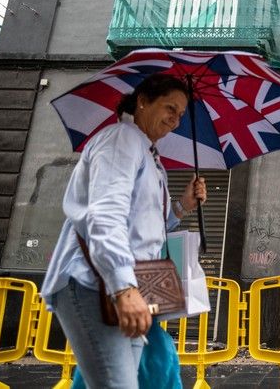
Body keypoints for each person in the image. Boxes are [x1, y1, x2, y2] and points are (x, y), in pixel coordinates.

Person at [41, 73, 207, 388]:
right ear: (142, 101)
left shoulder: (148, 155)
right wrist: (124, 290)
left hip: (129, 283)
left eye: (181, 115)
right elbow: (104, 216)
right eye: (170, 108)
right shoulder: (122, 140)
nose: (175, 120)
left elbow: (145, 228)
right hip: (97, 284)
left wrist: (183, 205)